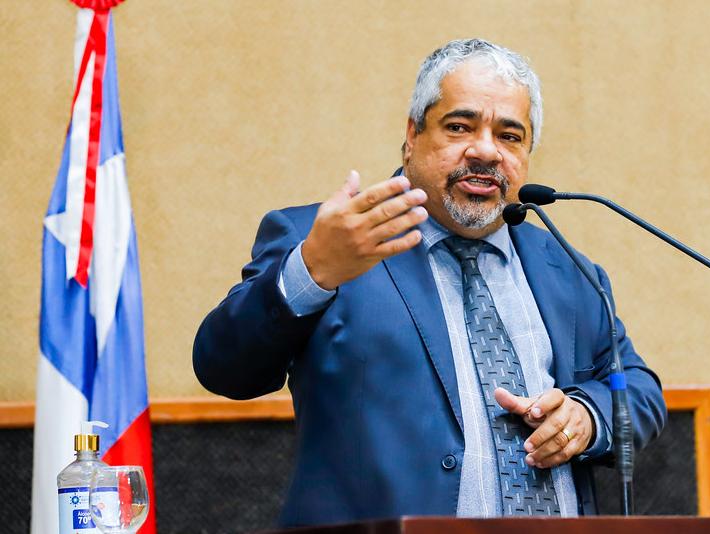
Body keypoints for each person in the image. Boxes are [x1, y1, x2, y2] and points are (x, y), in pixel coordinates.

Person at [193, 38, 666, 526]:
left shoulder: (566, 269)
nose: (485, 151)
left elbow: (638, 388)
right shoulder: (329, 243)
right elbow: (223, 368)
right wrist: (312, 271)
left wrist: (587, 417)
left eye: (509, 136)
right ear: (412, 134)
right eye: (459, 127)